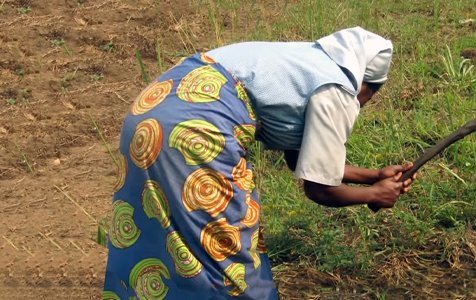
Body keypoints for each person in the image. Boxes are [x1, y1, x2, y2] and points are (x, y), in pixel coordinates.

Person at [102, 27, 415, 300]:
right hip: (194, 129)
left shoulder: (306, 61)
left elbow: (305, 159)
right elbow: (320, 189)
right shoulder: (337, 91)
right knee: (227, 248)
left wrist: (373, 177)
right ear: (365, 87)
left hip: (151, 111)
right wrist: (376, 195)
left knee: (161, 232)